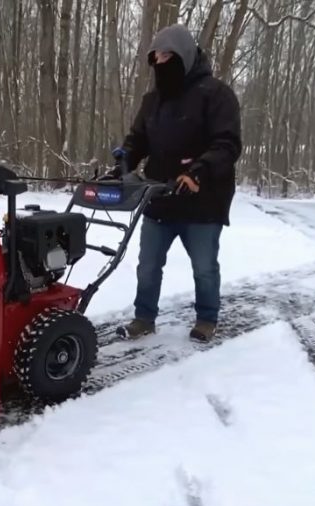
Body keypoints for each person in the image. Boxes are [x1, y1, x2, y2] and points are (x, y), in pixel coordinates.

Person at [110, 24, 242, 342]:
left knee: (204, 267)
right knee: (148, 265)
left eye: (168, 55)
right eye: (155, 57)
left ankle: (207, 318)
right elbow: (137, 140)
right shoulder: (152, 100)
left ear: (184, 56)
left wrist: (198, 171)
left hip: (202, 200)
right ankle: (144, 318)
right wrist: (122, 164)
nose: (160, 62)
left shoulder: (216, 95)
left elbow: (227, 144)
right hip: (160, 196)